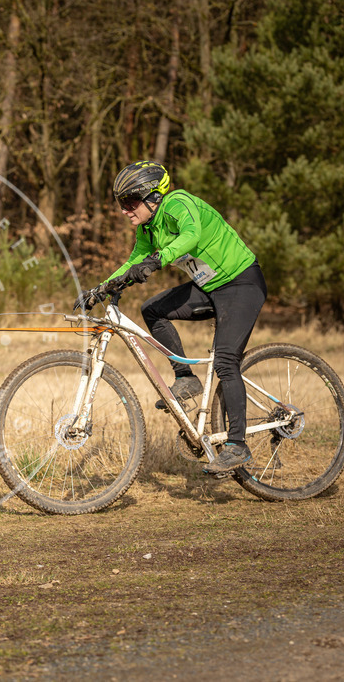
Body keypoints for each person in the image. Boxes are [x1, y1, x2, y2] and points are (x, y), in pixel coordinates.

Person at [75, 160, 267, 473]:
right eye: (121, 203)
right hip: (209, 288)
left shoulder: (178, 203)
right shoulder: (147, 228)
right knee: (152, 309)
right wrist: (100, 289)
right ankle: (185, 378)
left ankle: (237, 445)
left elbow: (191, 235)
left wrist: (159, 259)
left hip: (242, 283)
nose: (125, 210)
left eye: (130, 201)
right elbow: (133, 261)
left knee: (225, 361)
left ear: (153, 196)